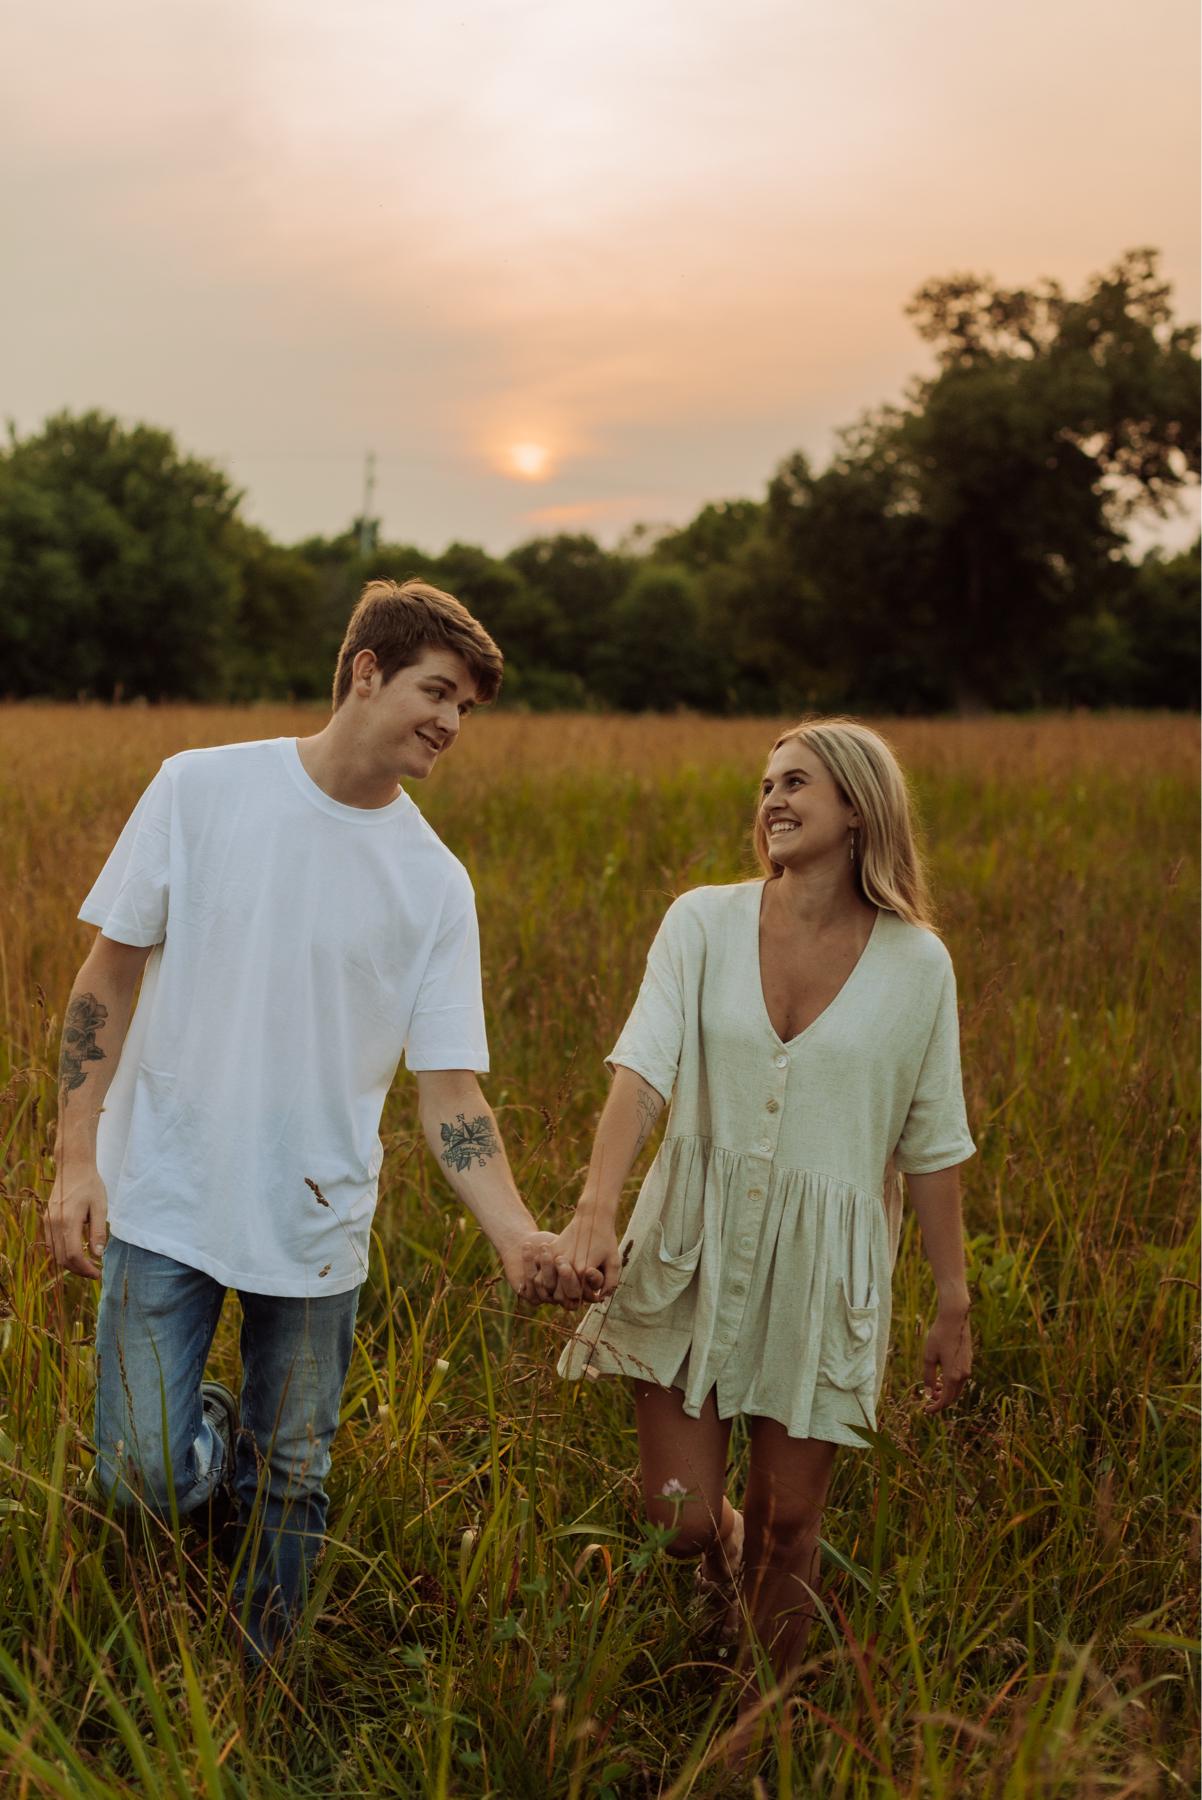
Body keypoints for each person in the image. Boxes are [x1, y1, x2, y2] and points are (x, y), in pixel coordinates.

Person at [44, 578, 559, 1660]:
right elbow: (107, 977)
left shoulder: (435, 883)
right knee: (138, 1473)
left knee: (292, 1476)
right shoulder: (200, 788)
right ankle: (208, 1432)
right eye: (438, 691)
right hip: (168, 1189)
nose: (452, 723)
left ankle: (261, 1684)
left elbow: (451, 1092)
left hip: (317, 1221)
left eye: (466, 708)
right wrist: (76, 1159)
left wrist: (514, 1232)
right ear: (366, 671)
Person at [542, 717, 975, 1733]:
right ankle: (721, 1567)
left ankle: (756, 1724)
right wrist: (596, 1208)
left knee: (790, 1523)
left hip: (824, 1268)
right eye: (765, 785)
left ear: (858, 807)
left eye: (795, 783)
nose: (771, 800)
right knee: (680, 1518)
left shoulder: (919, 966)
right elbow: (640, 1068)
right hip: (688, 1242)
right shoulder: (700, 921)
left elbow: (933, 1142)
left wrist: (952, 1299)